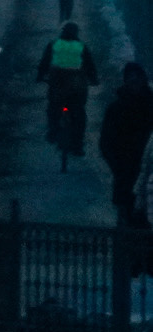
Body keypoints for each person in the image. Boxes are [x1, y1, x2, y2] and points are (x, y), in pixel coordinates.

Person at [38, 22, 99, 168]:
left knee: (53, 107)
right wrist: (94, 79)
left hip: (57, 85)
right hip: (77, 87)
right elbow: (90, 66)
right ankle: (77, 145)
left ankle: (53, 132)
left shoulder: (54, 44)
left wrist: (40, 75)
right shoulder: (81, 47)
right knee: (78, 114)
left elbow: (45, 62)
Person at [100, 62, 153, 228]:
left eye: (137, 80)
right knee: (126, 226)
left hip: (149, 177)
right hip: (126, 176)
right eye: (131, 81)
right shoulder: (116, 109)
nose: (134, 84)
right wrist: (117, 167)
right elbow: (105, 143)